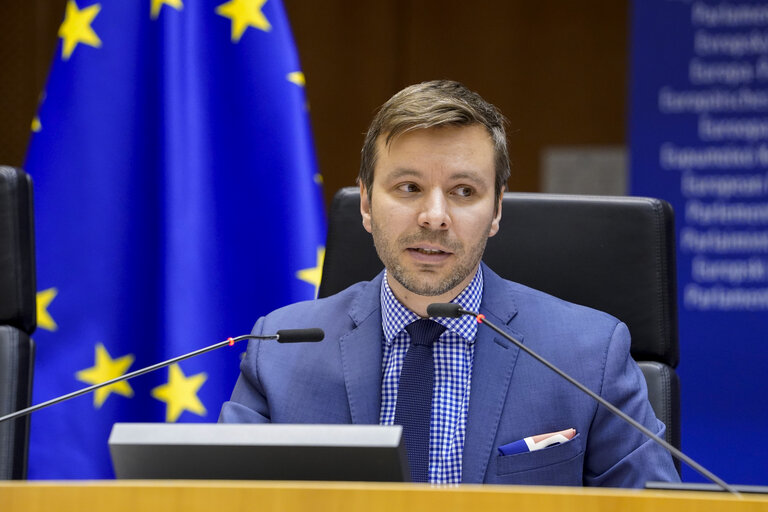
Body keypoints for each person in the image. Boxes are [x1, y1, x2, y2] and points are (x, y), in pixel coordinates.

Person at [220, 80, 680, 487]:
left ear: (497, 209)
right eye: (408, 187)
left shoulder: (588, 354)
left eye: (464, 191)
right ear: (365, 202)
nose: (434, 216)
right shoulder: (280, 349)